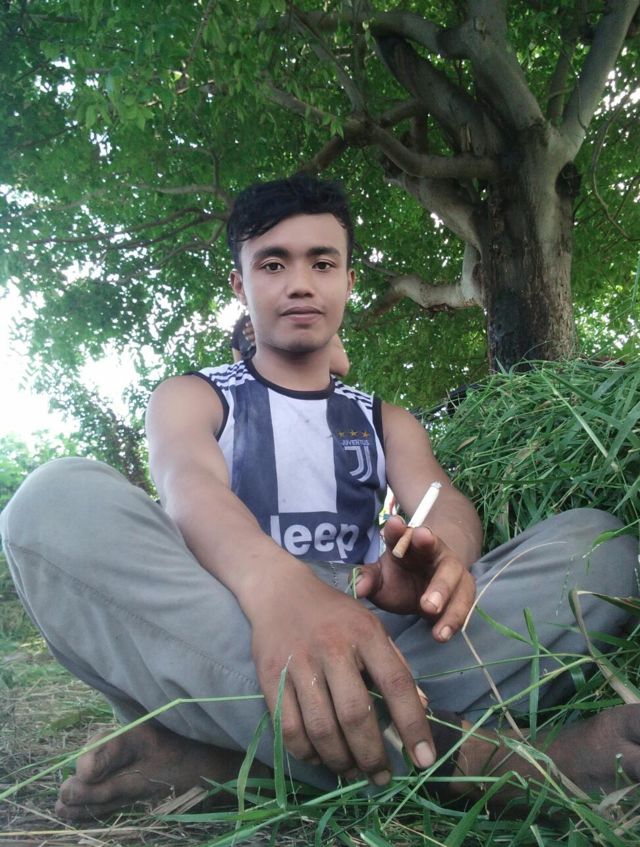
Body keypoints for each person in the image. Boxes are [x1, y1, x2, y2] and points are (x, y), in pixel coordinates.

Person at [1, 174, 639, 823]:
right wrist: (281, 591)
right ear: (240, 285)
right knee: (51, 504)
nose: (300, 283)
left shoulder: (386, 419)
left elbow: (442, 499)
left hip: (375, 628)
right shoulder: (194, 395)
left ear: (349, 281)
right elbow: (190, 488)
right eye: (273, 264)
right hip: (230, 623)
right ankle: (470, 758)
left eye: (323, 263)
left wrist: (435, 555)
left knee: (598, 547)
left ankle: (230, 760)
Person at [231, 312, 350, 377]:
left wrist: (281, 338)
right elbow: (240, 376)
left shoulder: (314, 319)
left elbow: (341, 366)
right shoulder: (242, 326)